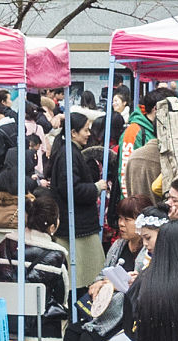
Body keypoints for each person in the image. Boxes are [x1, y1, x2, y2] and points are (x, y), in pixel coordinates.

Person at [50, 194, 154, 341]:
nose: (121, 224)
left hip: (131, 315)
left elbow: (143, 285)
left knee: (89, 339)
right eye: (120, 218)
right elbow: (104, 273)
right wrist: (98, 284)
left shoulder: (149, 250)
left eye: (128, 219)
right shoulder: (118, 246)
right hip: (106, 310)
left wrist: (114, 284)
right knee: (72, 333)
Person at [0, 195, 70, 341]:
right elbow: (62, 297)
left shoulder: (4, 245)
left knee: (16, 316)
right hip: (38, 328)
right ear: (52, 226)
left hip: (1, 323)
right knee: (30, 316)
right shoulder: (57, 256)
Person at [51, 112, 108, 285]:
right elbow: (70, 188)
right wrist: (96, 188)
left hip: (75, 222)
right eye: (85, 130)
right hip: (76, 224)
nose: (89, 134)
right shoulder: (69, 154)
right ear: (73, 133)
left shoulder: (68, 152)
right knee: (84, 276)